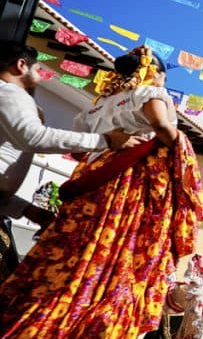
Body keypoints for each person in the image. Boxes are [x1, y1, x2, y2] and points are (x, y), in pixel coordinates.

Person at [0, 45, 202, 339]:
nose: (162, 80)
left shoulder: (97, 106)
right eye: (163, 74)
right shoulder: (151, 92)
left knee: (74, 271)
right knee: (116, 271)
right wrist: (174, 142)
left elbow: (79, 150)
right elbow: (162, 127)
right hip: (129, 189)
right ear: (152, 71)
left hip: (91, 189)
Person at [0, 42, 139, 284]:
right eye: (38, 70)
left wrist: (28, 210)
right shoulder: (10, 92)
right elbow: (34, 138)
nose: (41, 78)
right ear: (21, 65)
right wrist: (105, 140)